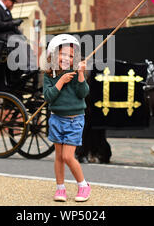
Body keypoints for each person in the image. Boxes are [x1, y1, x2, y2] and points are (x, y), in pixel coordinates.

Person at [43, 34, 91, 202]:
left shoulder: (76, 72)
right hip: (56, 119)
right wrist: (61, 81)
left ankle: (83, 185)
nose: (66, 58)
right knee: (58, 157)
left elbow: (83, 93)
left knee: (67, 157)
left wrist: (80, 74)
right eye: (63, 54)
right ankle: (60, 188)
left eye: (71, 56)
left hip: (75, 120)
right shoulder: (49, 75)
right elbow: (48, 97)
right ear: (54, 55)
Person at [0, 0, 37, 76]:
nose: (13, 5)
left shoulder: (7, 12)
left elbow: (12, 27)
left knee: (25, 43)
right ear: (7, 0)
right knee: (18, 42)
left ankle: (32, 66)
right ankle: (24, 68)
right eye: (13, 2)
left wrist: (20, 34)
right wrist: (13, 23)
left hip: (7, 37)